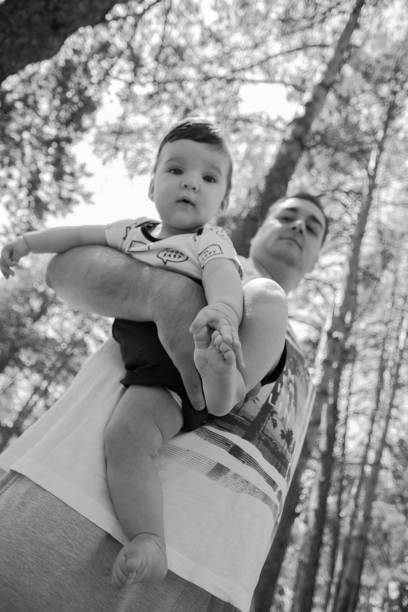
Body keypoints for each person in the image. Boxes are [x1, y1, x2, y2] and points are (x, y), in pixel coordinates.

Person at [0, 193, 328, 612]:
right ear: (261, 226)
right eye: (287, 216)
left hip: (206, 582)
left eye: (312, 227)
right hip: (72, 514)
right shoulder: (210, 258)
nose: (298, 226)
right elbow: (64, 270)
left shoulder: (297, 351)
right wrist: (161, 290)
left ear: (317, 258)